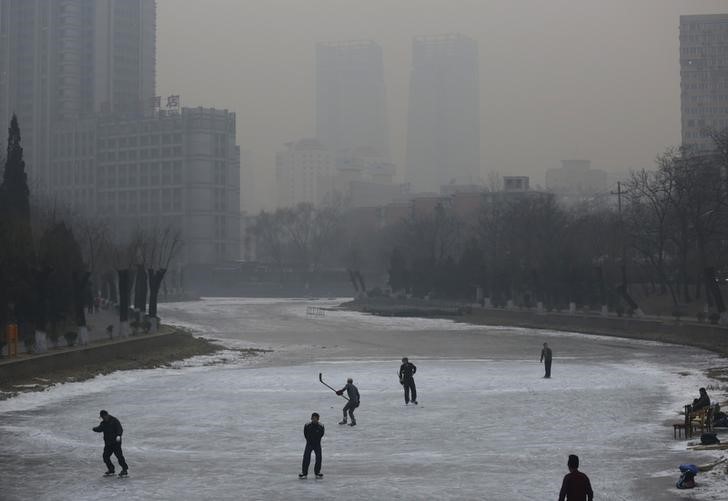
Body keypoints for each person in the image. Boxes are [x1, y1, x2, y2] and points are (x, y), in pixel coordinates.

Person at [92, 410, 128, 477]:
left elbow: (120, 429)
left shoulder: (114, 420)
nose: (103, 418)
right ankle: (111, 470)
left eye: (103, 417)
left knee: (119, 457)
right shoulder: (103, 423)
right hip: (108, 444)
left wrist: (118, 435)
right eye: (102, 417)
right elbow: (100, 429)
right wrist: (94, 429)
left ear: (106, 415)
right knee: (105, 456)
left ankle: (125, 470)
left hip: (116, 443)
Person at [299, 412, 325, 479]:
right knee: (306, 458)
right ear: (311, 418)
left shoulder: (321, 426)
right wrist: (309, 440)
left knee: (319, 458)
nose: (314, 420)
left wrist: (316, 440)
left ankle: (317, 472)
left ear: (318, 419)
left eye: (315, 418)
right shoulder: (307, 425)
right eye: (313, 418)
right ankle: (304, 473)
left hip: (317, 444)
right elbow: (305, 434)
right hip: (309, 444)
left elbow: (322, 434)